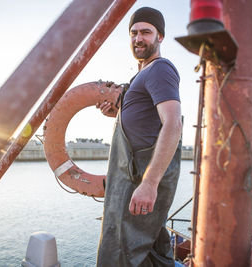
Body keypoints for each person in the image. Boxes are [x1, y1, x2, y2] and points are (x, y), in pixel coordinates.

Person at [96, 7, 182, 267]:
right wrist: (118, 114)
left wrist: (150, 183)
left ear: (160, 37)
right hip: (129, 185)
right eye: (133, 32)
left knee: (123, 255)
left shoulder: (160, 69)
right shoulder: (140, 75)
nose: (138, 38)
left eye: (146, 32)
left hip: (138, 184)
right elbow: (146, 123)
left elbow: (173, 123)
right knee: (147, 254)